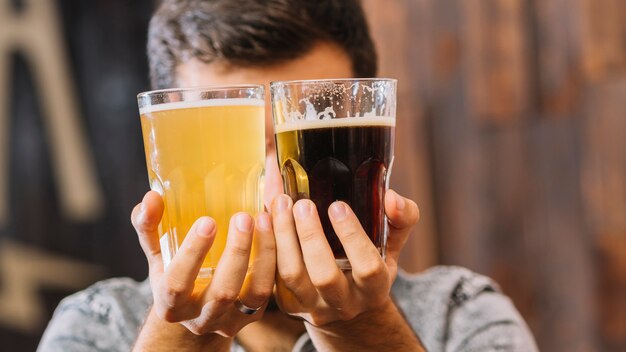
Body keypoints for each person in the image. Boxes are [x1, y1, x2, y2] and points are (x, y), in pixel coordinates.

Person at [38, 0, 538, 351]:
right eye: (236, 153)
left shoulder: (462, 311)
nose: (277, 193)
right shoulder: (98, 325)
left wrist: (361, 330)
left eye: (305, 144)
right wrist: (184, 336)